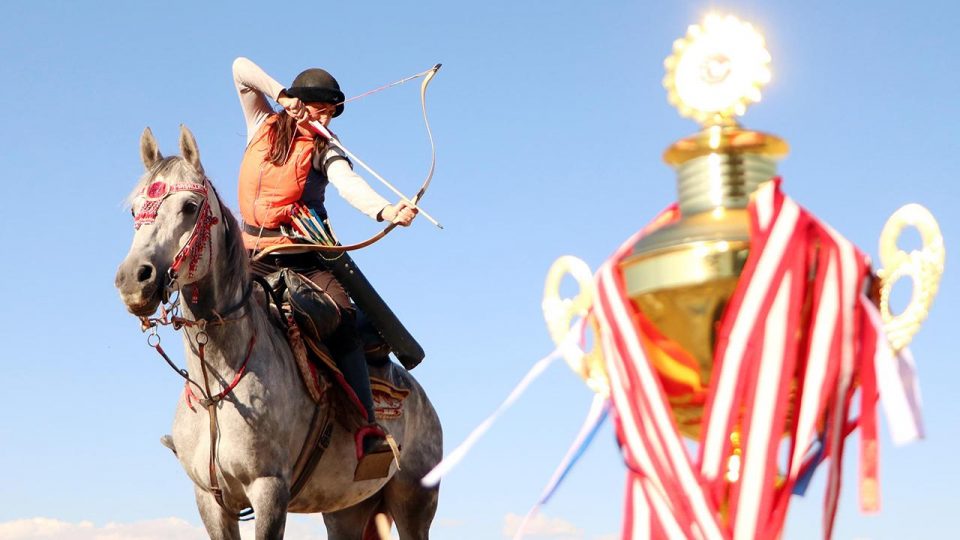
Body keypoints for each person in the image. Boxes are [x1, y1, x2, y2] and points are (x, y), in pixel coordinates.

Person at [232, 56, 417, 457]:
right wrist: (281, 93)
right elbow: (240, 70)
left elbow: (349, 185)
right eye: (323, 111)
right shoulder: (261, 124)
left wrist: (387, 211)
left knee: (344, 317)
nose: (328, 121)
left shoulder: (325, 147)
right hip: (252, 257)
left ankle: (366, 427)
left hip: (304, 258)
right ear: (299, 102)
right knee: (215, 309)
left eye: (332, 115)